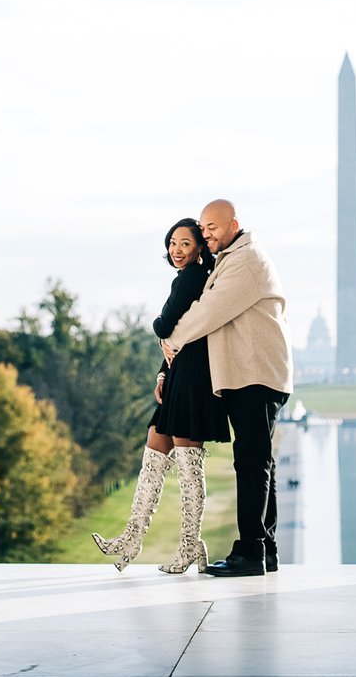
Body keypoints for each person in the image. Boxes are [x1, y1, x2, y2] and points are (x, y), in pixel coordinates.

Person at [159, 196, 292, 579]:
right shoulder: (232, 259)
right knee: (259, 462)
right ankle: (264, 549)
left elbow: (209, 311)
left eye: (212, 227)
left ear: (233, 224)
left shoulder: (247, 260)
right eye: (202, 228)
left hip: (256, 374)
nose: (206, 234)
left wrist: (171, 339)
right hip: (251, 373)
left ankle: (249, 552)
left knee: (251, 463)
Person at [94, 217, 233, 573]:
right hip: (180, 373)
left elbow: (165, 324)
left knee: (188, 460)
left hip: (194, 378)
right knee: (155, 446)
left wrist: (159, 332)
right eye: (172, 243)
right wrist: (162, 369)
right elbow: (177, 335)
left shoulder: (191, 279)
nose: (176, 250)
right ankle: (132, 539)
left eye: (185, 243)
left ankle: (190, 546)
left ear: (200, 247)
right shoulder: (193, 279)